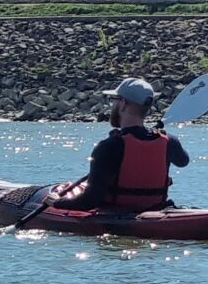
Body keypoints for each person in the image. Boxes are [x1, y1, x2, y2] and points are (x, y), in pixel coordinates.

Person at [49, 79, 191, 212]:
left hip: (115, 215)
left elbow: (89, 201)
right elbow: (183, 161)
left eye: (114, 100)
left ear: (123, 103)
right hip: (156, 210)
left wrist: (57, 203)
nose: (113, 105)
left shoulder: (109, 147)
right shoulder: (168, 141)